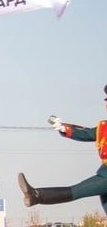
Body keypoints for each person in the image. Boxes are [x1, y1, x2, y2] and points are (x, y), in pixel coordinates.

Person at [18, 84, 107, 217]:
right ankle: (36, 195)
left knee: (78, 190)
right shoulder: (104, 126)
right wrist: (63, 128)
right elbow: (87, 133)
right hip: (104, 172)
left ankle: (37, 195)